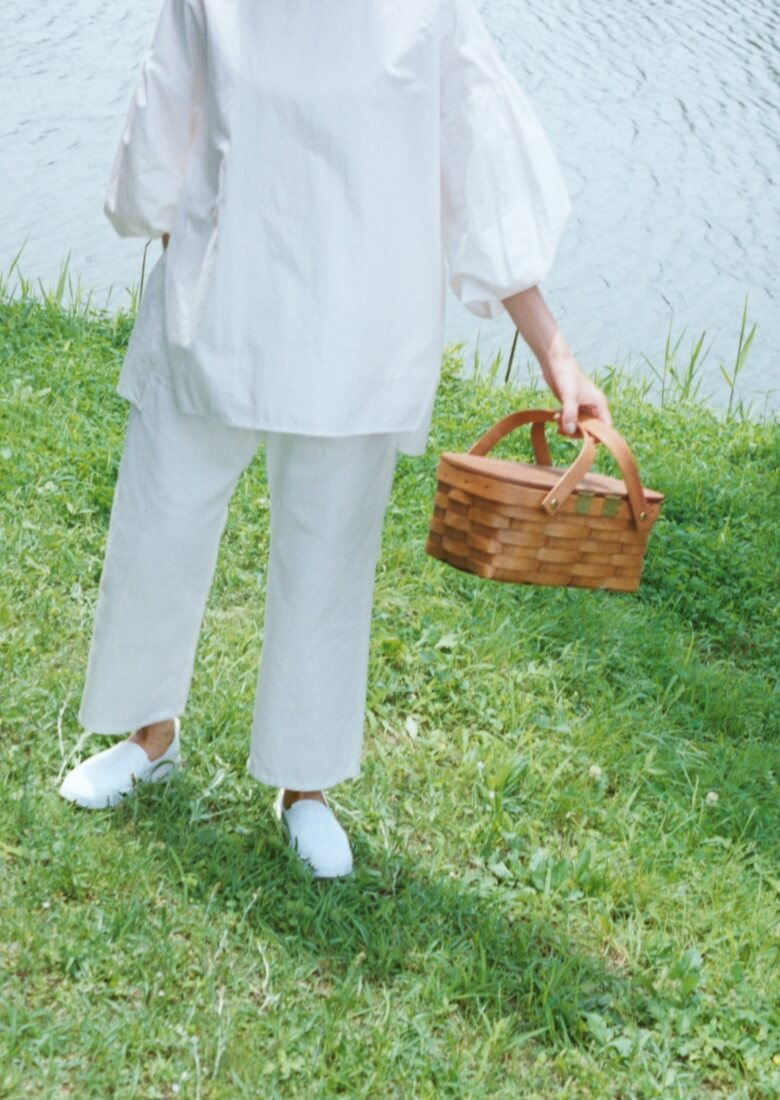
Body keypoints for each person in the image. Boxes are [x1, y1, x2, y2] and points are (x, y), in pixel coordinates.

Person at [58, 0, 612, 877]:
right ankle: (148, 736)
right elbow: (160, 134)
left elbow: (481, 171)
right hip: (213, 307)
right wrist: (191, 244)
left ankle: (305, 787)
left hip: (358, 327)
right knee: (161, 519)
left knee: (326, 556)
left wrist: (558, 356)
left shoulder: (429, 12)